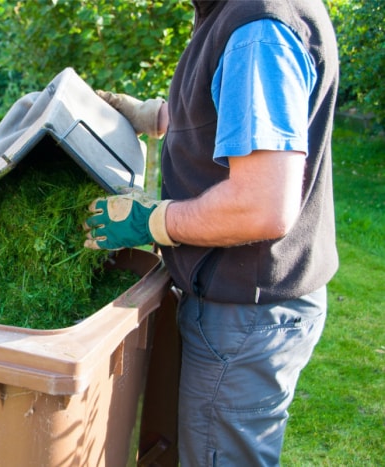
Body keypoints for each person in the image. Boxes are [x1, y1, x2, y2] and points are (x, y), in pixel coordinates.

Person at [83, 1, 339, 465]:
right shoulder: (233, 16)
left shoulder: (258, 28)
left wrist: (151, 221)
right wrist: (152, 115)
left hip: (246, 313)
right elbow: (226, 115)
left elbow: (261, 206)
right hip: (242, 304)